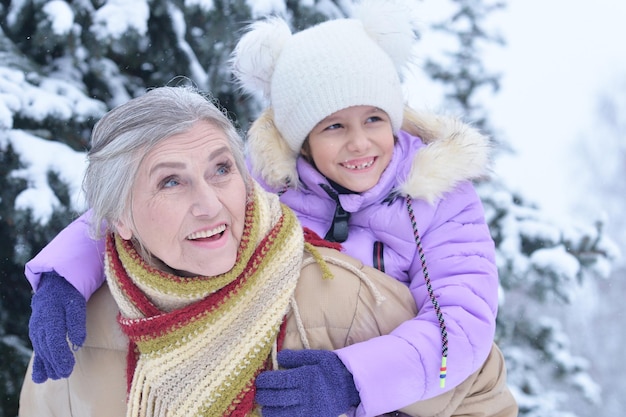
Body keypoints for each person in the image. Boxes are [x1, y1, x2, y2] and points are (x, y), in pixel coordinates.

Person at [22, 2, 518, 417]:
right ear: (301, 141)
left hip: (401, 383)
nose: (359, 142)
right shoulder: (269, 185)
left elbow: (463, 328)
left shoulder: (440, 201)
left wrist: (354, 379)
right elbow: (134, 206)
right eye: (333, 127)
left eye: (373, 119)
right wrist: (63, 277)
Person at [19, 85, 422, 417]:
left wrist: (359, 387)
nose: (210, 204)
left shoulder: (341, 296)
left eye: (222, 169)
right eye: (171, 182)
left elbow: (479, 402)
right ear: (118, 218)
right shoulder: (71, 326)